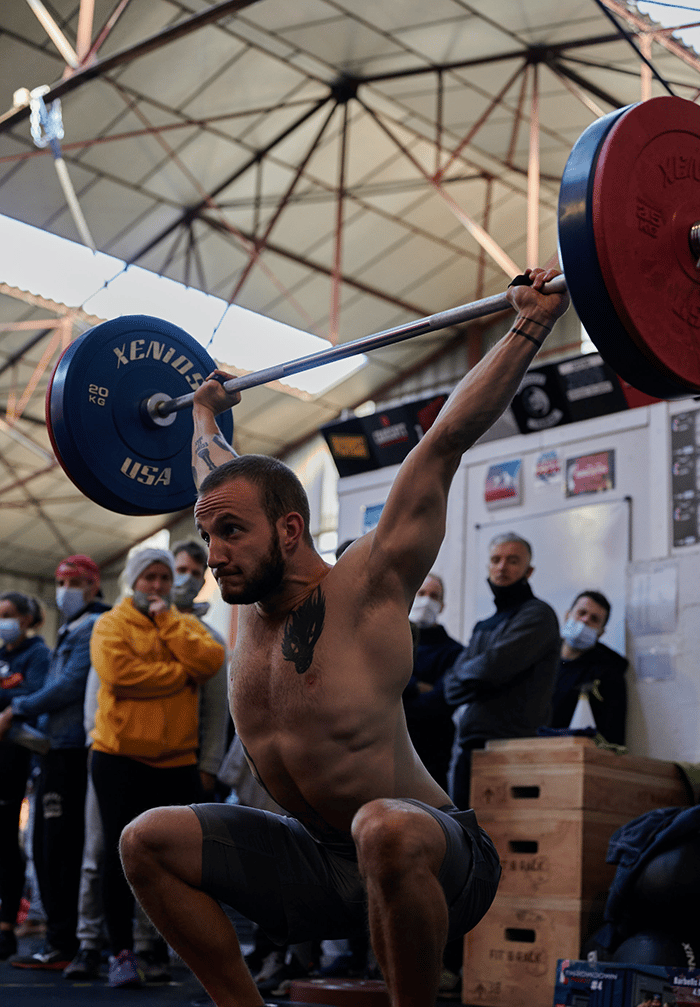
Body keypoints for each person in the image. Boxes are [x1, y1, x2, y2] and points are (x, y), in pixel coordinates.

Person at [117, 267, 569, 1007]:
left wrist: (530, 323)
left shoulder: (371, 582)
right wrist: (203, 414)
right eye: (207, 533)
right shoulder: (243, 581)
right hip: (317, 858)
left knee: (383, 824)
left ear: (290, 530)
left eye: (230, 532)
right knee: (146, 840)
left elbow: (444, 441)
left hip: (435, 852)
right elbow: (216, 472)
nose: (214, 553)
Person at [62, 540, 230, 985]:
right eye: (148, 577)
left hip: (176, 762)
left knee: (170, 863)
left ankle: (155, 945)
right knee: (113, 857)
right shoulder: (109, 624)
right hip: (118, 757)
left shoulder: (184, 625)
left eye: (163, 578)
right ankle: (118, 952)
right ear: (132, 581)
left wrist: (168, 625)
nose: (156, 585)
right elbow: (120, 675)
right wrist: (181, 675)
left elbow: (211, 660)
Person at [0, 555, 108, 971]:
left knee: (61, 850)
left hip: (72, 749)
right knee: (45, 849)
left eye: (76, 581)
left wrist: (16, 710)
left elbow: (67, 686)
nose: (66, 589)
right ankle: (60, 940)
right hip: (53, 748)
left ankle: (67, 942)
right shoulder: (70, 629)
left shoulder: (92, 627)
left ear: (94, 585)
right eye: (61, 581)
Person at [444, 533, 560, 809]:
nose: (502, 567)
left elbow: (492, 668)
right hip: (471, 746)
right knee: (465, 837)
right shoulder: (484, 624)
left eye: (513, 560)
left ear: (528, 571)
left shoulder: (538, 615)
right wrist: (476, 677)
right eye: (496, 560)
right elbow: (451, 686)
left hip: (513, 748)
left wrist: (476, 676)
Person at [0, 592, 50, 960]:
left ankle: (6, 925)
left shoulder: (38, 654)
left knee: (6, 839)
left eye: (8, 615)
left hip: (15, 758)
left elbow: (37, 695)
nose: (3, 621)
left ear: (27, 618)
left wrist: (10, 708)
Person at [403, 573, 463, 792]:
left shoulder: (454, 652)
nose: (426, 600)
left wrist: (401, 691)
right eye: (421, 593)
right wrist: (416, 687)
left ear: (442, 605)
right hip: (390, 746)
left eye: (434, 596)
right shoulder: (393, 640)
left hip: (432, 749)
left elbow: (441, 700)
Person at [549, 590, 628, 745]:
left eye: (594, 619)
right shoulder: (541, 658)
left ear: (600, 633)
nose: (585, 620)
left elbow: (613, 735)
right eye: (581, 613)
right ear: (567, 616)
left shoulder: (608, 675)